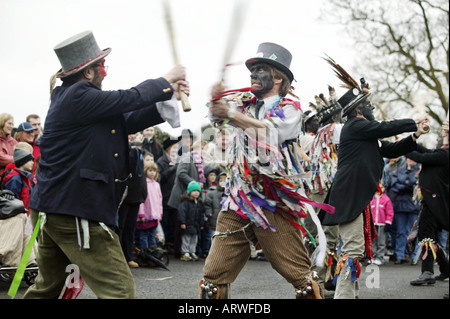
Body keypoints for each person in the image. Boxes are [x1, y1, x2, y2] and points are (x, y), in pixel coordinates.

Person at [23, 30, 188, 299]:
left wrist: (167, 97)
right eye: (102, 67)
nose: (105, 73)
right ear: (88, 72)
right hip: (76, 211)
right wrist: (166, 80)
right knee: (119, 290)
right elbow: (128, 98)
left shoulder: (76, 100)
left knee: (48, 289)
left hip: (57, 208)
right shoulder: (78, 96)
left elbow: (123, 120)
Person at [202, 43, 330, 299]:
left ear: (278, 77)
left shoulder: (291, 108)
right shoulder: (243, 103)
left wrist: (229, 114)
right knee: (212, 281)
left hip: (274, 204)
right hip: (237, 201)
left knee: (301, 281)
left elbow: (267, 132)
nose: (252, 74)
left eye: (260, 69)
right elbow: (216, 117)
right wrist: (216, 102)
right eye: (251, 69)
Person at [319, 56, 430, 299]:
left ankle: (347, 292)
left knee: (354, 249)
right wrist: (413, 121)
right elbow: (384, 128)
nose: (372, 108)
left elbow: (389, 149)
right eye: (368, 105)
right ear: (358, 110)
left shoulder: (364, 132)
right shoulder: (356, 127)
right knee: (352, 249)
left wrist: (415, 136)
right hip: (349, 197)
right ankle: (343, 295)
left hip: (355, 197)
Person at [307, 86, 343, 292]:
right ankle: (318, 284)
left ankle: (317, 280)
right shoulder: (335, 131)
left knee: (315, 235)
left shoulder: (319, 133)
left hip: (316, 191)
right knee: (329, 236)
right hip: (328, 191)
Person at [407, 120, 449, 286]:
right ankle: (445, 268)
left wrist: (402, 148)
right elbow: (423, 150)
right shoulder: (441, 154)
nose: (440, 139)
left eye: (443, 137)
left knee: (426, 235)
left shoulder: (445, 155)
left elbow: (419, 156)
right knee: (431, 236)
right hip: (433, 201)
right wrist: (411, 139)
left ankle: (427, 272)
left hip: (435, 202)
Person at [0, 146, 37, 269]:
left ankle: (31, 259)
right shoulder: (15, 178)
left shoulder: (25, 177)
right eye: (29, 160)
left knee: (27, 234)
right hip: (16, 214)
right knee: (22, 233)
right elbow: (11, 199)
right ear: (22, 162)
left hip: (25, 213)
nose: (33, 162)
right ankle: (25, 259)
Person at [117, 134, 148, 268]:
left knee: (130, 228)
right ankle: (117, 257)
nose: (132, 137)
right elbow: (131, 165)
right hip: (124, 195)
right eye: (130, 135)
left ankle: (128, 256)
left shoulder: (139, 151)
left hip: (136, 195)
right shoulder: (125, 150)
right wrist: (134, 147)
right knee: (120, 227)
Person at [389, 157, 421, 264]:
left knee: (412, 232)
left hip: (413, 205)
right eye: (408, 158)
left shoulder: (419, 171)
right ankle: (400, 255)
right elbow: (394, 185)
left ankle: (413, 255)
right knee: (400, 232)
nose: (410, 160)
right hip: (400, 205)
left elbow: (417, 184)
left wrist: (404, 184)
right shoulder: (399, 170)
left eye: (413, 158)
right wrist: (407, 185)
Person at [157, 136, 181, 254]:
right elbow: (160, 177)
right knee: (165, 222)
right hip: (165, 196)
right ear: (167, 149)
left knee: (173, 222)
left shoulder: (179, 160)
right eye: (173, 147)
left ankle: (171, 243)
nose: (176, 150)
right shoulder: (161, 161)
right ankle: (163, 243)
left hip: (175, 196)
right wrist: (173, 168)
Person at [136, 162, 163, 252]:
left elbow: (160, 200)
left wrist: (160, 213)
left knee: (152, 235)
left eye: (154, 171)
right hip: (146, 215)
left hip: (155, 216)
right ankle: (145, 253)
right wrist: (141, 214)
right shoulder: (143, 184)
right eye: (150, 170)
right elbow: (141, 201)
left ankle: (153, 253)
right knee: (144, 235)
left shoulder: (157, 185)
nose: (152, 173)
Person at [178, 181, 205, 261]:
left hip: (195, 225)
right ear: (189, 192)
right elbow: (182, 213)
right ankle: (185, 252)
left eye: (198, 191)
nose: (196, 193)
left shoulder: (199, 203)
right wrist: (182, 222)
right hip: (187, 224)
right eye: (194, 191)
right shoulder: (185, 203)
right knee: (186, 239)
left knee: (194, 240)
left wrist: (201, 223)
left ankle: (192, 251)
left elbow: (201, 214)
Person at [203, 172, 228, 258]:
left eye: (225, 181)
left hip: (226, 220)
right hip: (213, 218)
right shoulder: (212, 192)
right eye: (221, 180)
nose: (222, 183)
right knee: (212, 235)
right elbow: (207, 204)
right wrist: (209, 213)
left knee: (223, 236)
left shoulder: (230, 194)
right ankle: (209, 251)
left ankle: (221, 253)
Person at [370, 183, 394, 265]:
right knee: (372, 241)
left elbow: (390, 212)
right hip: (373, 224)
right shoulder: (371, 199)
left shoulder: (386, 199)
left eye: (382, 187)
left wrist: (388, 222)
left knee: (381, 241)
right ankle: (372, 256)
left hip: (382, 224)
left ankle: (380, 257)